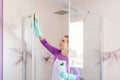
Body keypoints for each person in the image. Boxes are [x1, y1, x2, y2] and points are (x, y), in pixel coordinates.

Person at [34, 15, 76, 80]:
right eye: (61, 40)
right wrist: (38, 29)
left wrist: (68, 76)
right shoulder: (57, 52)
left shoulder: (70, 58)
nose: (60, 42)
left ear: (68, 45)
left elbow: (78, 77)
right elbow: (45, 43)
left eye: (63, 41)